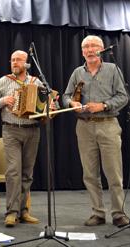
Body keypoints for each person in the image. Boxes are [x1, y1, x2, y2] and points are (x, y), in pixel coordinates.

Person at [62, 35, 129, 227]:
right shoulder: (77, 73)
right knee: (90, 174)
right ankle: (98, 213)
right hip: (84, 126)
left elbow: (123, 97)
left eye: (94, 46)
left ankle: (118, 213)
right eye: (86, 47)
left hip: (108, 124)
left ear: (101, 49)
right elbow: (66, 96)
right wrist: (71, 103)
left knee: (114, 173)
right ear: (82, 51)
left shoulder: (113, 69)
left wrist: (103, 105)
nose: (90, 50)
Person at [0, 50, 43, 227]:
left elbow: (43, 106)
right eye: (12, 60)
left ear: (26, 64)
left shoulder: (36, 82)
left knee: (27, 173)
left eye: (18, 60)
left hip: (33, 130)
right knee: (13, 172)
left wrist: (50, 106)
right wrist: (4, 101)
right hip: (11, 130)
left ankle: (24, 211)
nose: (14, 63)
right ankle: (11, 212)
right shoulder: (4, 81)